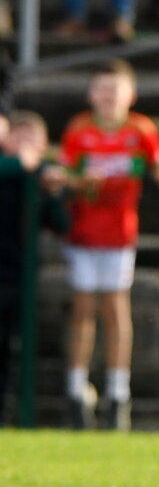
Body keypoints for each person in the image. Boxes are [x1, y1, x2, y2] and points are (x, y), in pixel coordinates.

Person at [59, 59, 159, 430]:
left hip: (120, 232)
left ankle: (118, 392)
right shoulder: (79, 130)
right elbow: (63, 175)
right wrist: (79, 180)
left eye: (114, 90)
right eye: (101, 89)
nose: (107, 97)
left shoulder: (140, 130)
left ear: (130, 95)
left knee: (116, 308)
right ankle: (76, 388)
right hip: (83, 231)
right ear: (90, 93)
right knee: (83, 308)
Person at [0, 111, 67, 425]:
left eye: (33, 142)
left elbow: (63, 224)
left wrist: (52, 193)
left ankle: (10, 413)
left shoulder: (40, 178)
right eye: (20, 139)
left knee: (15, 348)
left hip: (21, 274)